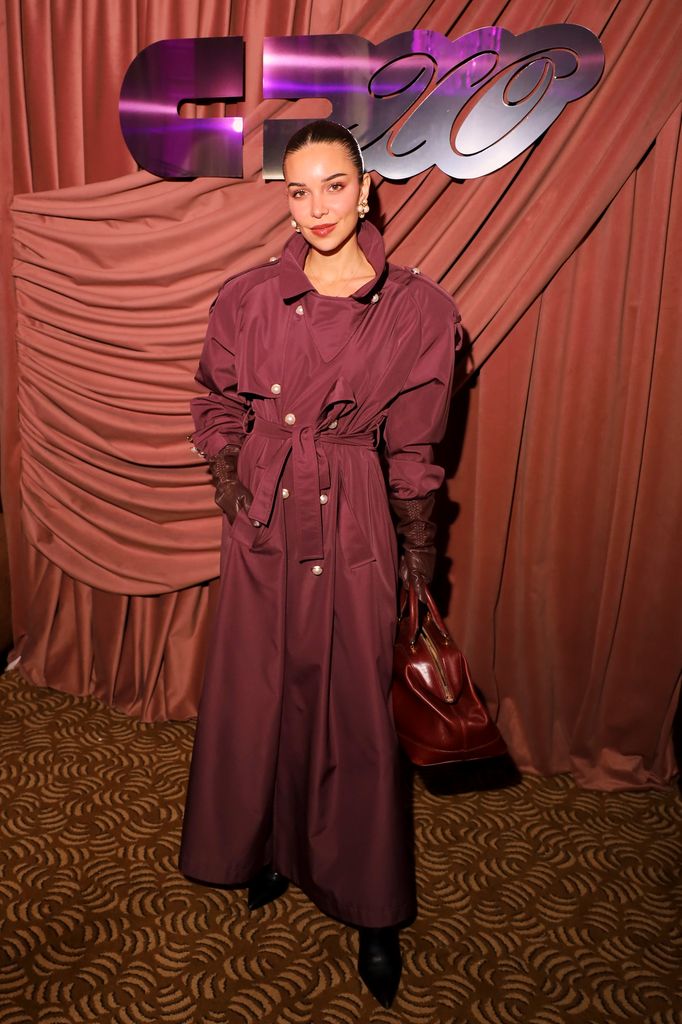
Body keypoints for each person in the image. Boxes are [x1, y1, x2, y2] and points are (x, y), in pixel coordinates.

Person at [179, 119, 463, 1009]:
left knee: (350, 708)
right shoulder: (248, 296)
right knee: (260, 695)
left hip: (354, 521)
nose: (316, 209)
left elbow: (415, 444)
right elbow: (215, 397)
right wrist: (235, 483)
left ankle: (372, 903)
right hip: (265, 516)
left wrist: (419, 553)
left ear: (368, 186)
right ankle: (268, 849)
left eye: (333, 186)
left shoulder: (421, 307)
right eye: (297, 192)